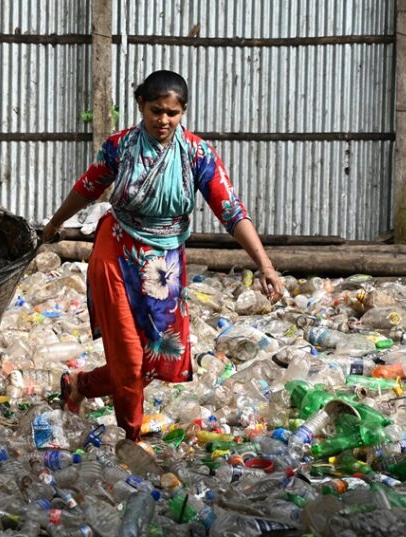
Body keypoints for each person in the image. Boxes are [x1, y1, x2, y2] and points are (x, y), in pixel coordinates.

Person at [42, 70, 284, 442]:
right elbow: (88, 187)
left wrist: (264, 265)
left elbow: (231, 210)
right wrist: (55, 223)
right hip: (118, 250)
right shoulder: (121, 147)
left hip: (164, 263)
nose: (164, 120)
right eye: (156, 110)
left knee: (157, 358)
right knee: (129, 356)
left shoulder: (196, 154)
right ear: (141, 105)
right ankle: (131, 439)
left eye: (173, 112)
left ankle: (79, 384)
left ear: (183, 111)